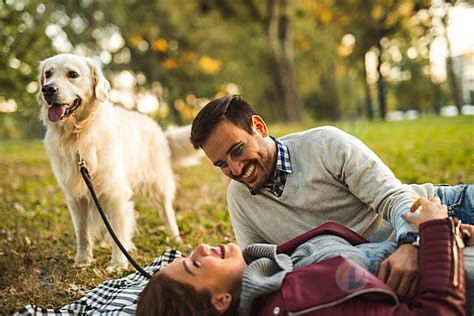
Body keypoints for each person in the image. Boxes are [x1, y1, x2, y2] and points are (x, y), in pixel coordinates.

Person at [189, 95, 474, 300]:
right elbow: (259, 269)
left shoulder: (325, 144)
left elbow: (395, 198)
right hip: (380, 260)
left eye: (237, 150)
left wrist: (413, 244)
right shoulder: (239, 198)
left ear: (259, 128)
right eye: (222, 164)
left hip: (443, 210)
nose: (235, 169)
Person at [136, 197, 470, 315]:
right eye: (194, 264)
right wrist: (437, 229)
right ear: (221, 302)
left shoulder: (274, 275)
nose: (200, 248)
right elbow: (438, 311)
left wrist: (441, 236)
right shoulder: (300, 306)